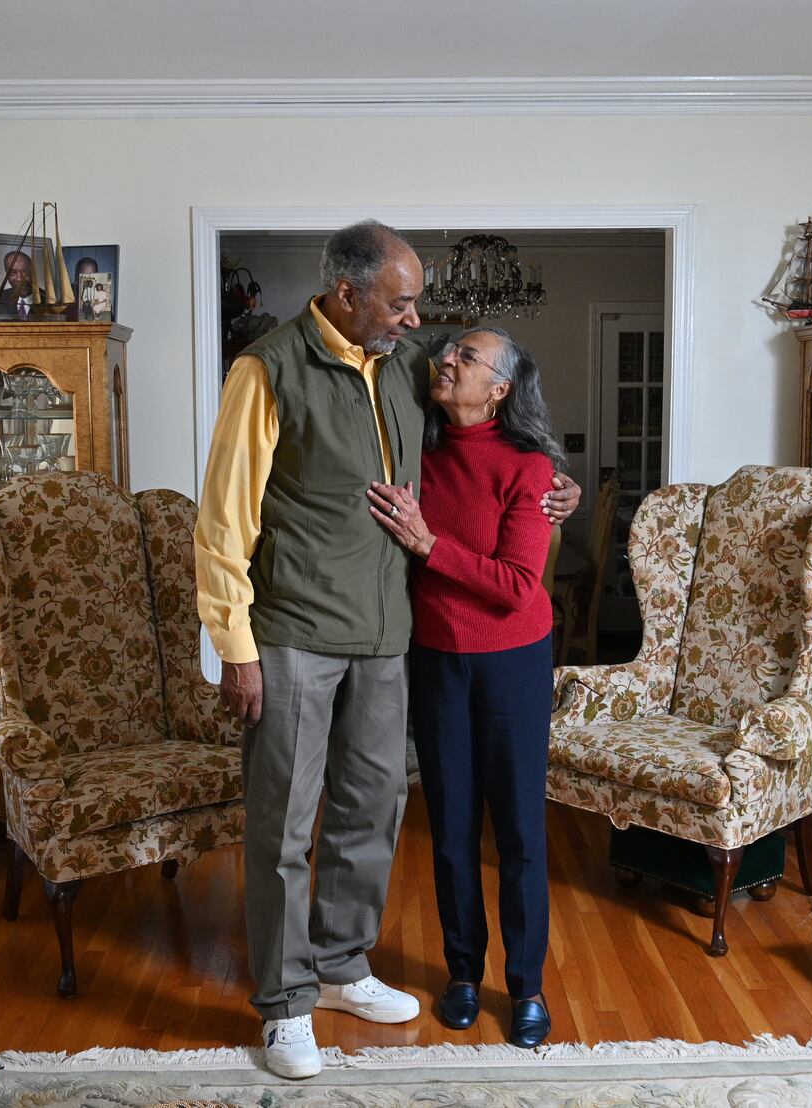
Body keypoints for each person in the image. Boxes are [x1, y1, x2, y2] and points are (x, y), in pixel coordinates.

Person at [194, 220, 580, 1079]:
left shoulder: (407, 367)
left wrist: (555, 484)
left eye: (418, 307)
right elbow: (222, 520)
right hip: (292, 631)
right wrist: (235, 645)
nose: (417, 323)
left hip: (390, 639)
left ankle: (341, 965)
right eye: (401, 303)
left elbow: (497, 432)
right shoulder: (266, 369)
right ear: (347, 294)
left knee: (373, 810)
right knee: (286, 825)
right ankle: (287, 1002)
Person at [366, 327, 561, 1049]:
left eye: (467, 358)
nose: (447, 360)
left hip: (513, 659)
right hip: (436, 659)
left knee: (518, 834)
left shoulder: (530, 467)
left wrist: (428, 545)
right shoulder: (416, 448)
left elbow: (515, 587)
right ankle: (462, 976)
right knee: (449, 832)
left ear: (500, 389)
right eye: (448, 353)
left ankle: (528, 988)